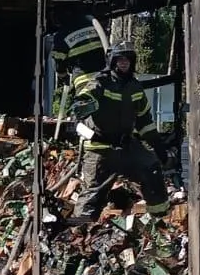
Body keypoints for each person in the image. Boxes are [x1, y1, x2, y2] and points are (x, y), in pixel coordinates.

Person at [71, 43, 172, 221]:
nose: (124, 62)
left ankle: (161, 219)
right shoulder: (100, 82)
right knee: (93, 195)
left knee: (151, 168)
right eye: (120, 59)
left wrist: (159, 148)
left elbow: (145, 122)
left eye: (128, 59)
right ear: (112, 61)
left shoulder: (135, 87)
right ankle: (80, 229)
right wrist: (82, 104)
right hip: (100, 148)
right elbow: (86, 97)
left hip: (126, 146)